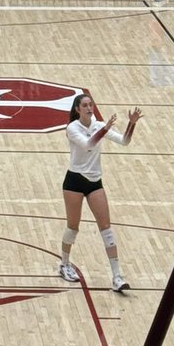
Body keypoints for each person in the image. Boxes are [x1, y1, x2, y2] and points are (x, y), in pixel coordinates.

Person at [59, 93, 142, 291]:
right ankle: (64, 264)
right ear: (78, 109)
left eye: (91, 104)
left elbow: (124, 141)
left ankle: (117, 277)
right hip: (74, 181)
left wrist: (132, 124)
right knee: (73, 226)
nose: (89, 108)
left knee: (106, 228)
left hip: (95, 182)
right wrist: (105, 129)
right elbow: (88, 145)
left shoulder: (98, 125)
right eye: (85, 105)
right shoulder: (72, 128)